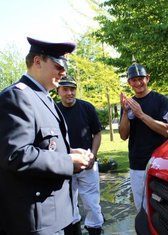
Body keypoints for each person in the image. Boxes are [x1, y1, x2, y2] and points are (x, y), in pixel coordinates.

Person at [0, 37, 95, 235]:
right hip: (37, 219)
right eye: (58, 66)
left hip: (55, 214)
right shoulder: (17, 97)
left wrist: (69, 152)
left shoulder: (43, 97)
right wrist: (68, 161)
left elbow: (43, 146)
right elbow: (16, 155)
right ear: (37, 61)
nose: (64, 72)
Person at [119, 63, 168, 212]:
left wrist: (141, 115)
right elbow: (123, 135)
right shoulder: (128, 104)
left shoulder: (161, 100)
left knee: (162, 207)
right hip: (137, 163)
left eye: (141, 78)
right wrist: (125, 113)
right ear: (129, 82)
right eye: (133, 80)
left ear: (148, 78)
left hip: (160, 163)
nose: (138, 83)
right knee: (141, 208)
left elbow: (166, 131)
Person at [57, 76, 104, 235]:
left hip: (88, 164)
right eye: (65, 89)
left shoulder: (87, 108)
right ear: (58, 91)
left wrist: (93, 155)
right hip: (64, 164)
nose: (69, 93)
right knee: (68, 204)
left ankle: (95, 230)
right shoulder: (53, 110)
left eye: (72, 89)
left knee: (91, 203)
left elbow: (97, 134)